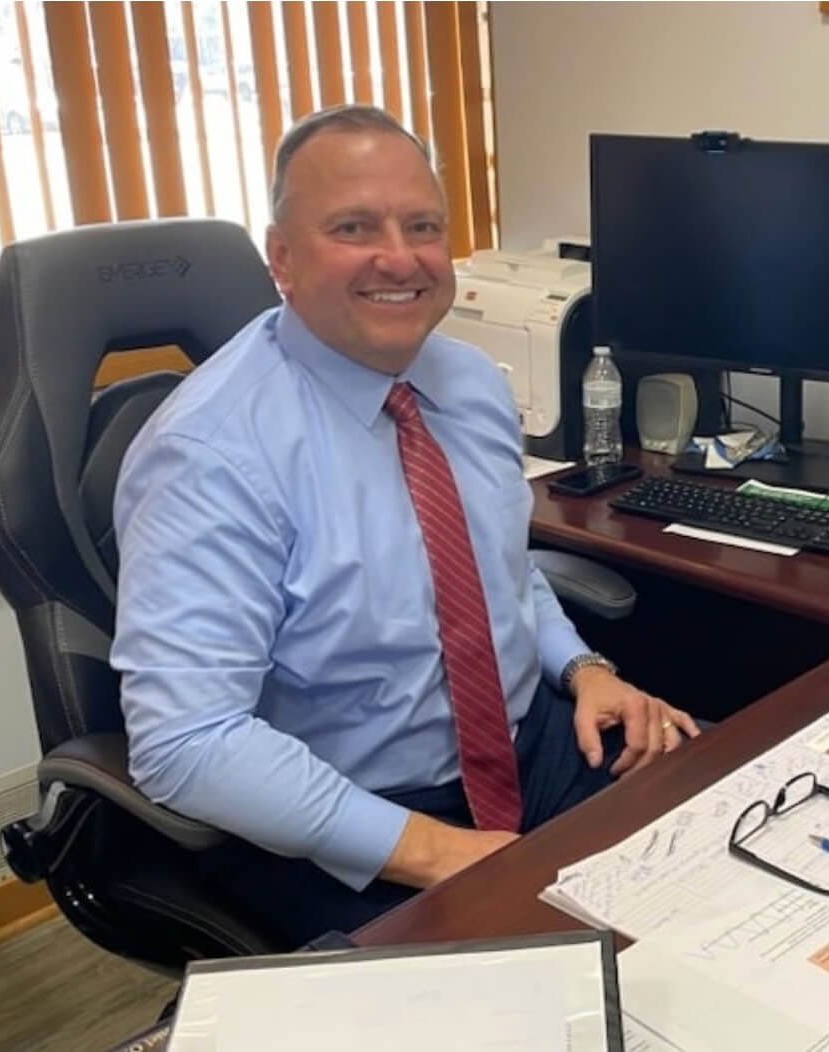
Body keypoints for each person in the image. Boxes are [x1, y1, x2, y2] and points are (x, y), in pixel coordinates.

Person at [111, 104, 698, 946]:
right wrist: (435, 852)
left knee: (729, 827)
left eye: (422, 226)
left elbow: (499, 568)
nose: (399, 257)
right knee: (543, 1003)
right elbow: (189, 743)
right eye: (353, 226)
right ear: (281, 257)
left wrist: (585, 670)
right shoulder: (209, 453)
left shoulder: (468, 383)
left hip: (529, 746)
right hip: (352, 813)